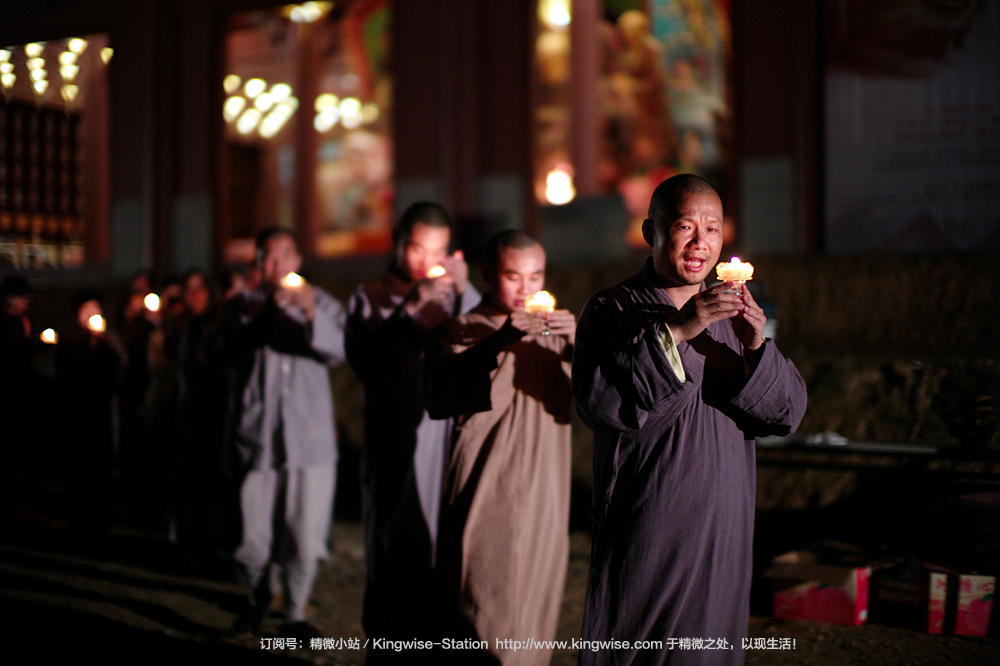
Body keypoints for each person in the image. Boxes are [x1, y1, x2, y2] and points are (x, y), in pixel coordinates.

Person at [572, 174, 807, 665]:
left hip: (724, 523)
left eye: (713, 229)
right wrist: (680, 330)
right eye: (685, 227)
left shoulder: (733, 314)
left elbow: (787, 415)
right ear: (651, 232)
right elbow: (601, 404)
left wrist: (755, 346)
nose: (701, 243)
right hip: (653, 519)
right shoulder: (613, 308)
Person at [425, 230, 575, 666]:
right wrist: (499, 340)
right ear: (488, 273)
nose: (526, 289)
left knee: (534, 604)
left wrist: (579, 342)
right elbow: (441, 394)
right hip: (487, 491)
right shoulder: (459, 330)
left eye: (536, 277)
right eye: (513, 276)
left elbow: (609, 395)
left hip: (545, 493)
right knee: (482, 599)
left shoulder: (556, 335)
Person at [345, 202, 477, 658]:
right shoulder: (371, 296)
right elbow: (371, 368)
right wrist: (411, 311)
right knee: (395, 547)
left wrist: (466, 293)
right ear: (399, 241)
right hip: (396, 438)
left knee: (446, 547)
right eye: (418, 248)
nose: (427, 262)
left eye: (438, 251)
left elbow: (481, 344)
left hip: (445, 439)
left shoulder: (454, 293)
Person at [224, 227, 346, 637]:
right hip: (259, 434)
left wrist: (310, 312)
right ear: (257, 264)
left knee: (304, 528)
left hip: (308, 438)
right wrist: (271, 313)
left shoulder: (322, 302)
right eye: (267, 259)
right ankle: (258, 596)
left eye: (283, 258)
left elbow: (340, 349)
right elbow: (232, 346)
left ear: (296, 261)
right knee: (254, 528)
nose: (276, 267)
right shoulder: (244, 304)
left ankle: (295, 612)